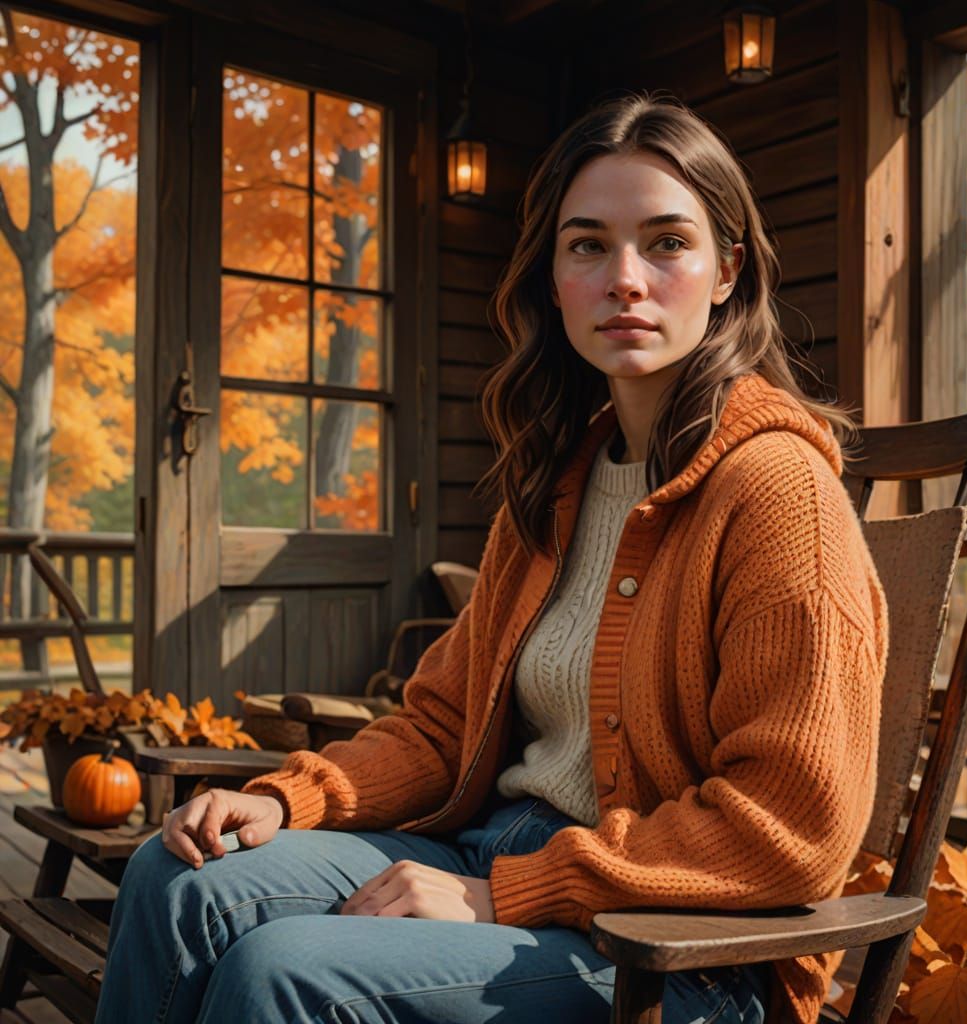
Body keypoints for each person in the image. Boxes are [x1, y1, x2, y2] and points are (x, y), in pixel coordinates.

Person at [95, 92, 887, 1024]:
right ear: (554, 280)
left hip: (678, 949)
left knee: (281, 971)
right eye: (588, 244)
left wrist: (502, 897)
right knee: (176, 876)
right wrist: (290, 799)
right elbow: (441, 726)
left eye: (667, 243)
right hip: (498, 849)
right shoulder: (559, 483)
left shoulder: (777, 494)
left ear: (726, 272)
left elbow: (792, 829)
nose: (625, 278)